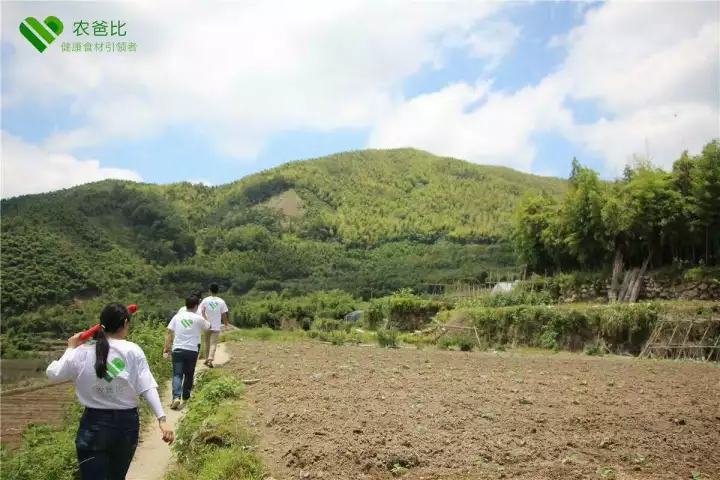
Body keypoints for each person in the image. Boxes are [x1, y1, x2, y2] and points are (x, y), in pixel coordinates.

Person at [46, 303, 174, 479]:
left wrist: (71, 347)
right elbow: (147, 386)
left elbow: (54, 374)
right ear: (125, 324)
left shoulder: (82, 351)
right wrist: (162, 419)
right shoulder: (132, 351)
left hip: (93, 424)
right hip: (126, 425)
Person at [163, 295, 210, 409]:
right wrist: (203, 314)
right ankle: (186, 397)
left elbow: (169, 333)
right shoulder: (198, 318)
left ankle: (176, 397)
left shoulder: (177, 317)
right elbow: (208, 327)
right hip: (192, 350)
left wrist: (166, 349)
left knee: (177, 374)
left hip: (178, 349)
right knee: (189, 374)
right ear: (196, 306)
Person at [200, 283, 229, 368]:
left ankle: (206, 359)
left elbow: (201, 311)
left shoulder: (205, 300)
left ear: (209, 290)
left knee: (206, 342)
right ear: (217, 291)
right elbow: (224, 314)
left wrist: (205, 319)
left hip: (206, 325)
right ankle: (210, 359)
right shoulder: (221, 301)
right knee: (213, 343)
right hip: (216, 326)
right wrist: (226, 323)